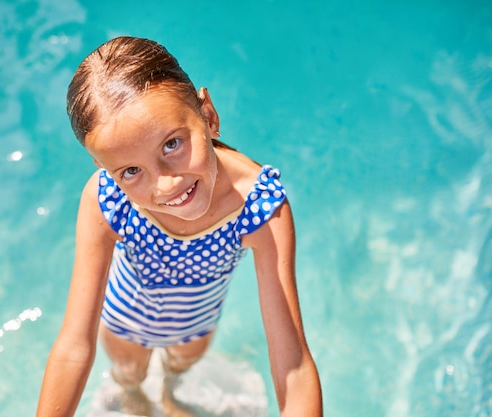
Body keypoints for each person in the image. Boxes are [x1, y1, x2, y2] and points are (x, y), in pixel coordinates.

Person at [36, 36, 322, 417]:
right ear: (107, 172)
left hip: (195, 327)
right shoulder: (106, 200)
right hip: (125, 323)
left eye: (172, 144)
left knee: (178, 371)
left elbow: (293, 363)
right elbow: (74, 345)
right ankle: (137, 401)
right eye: (131, 171)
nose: (165, 184)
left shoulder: (261, 209)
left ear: (209, 115)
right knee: (129, 377)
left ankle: (169, 398)